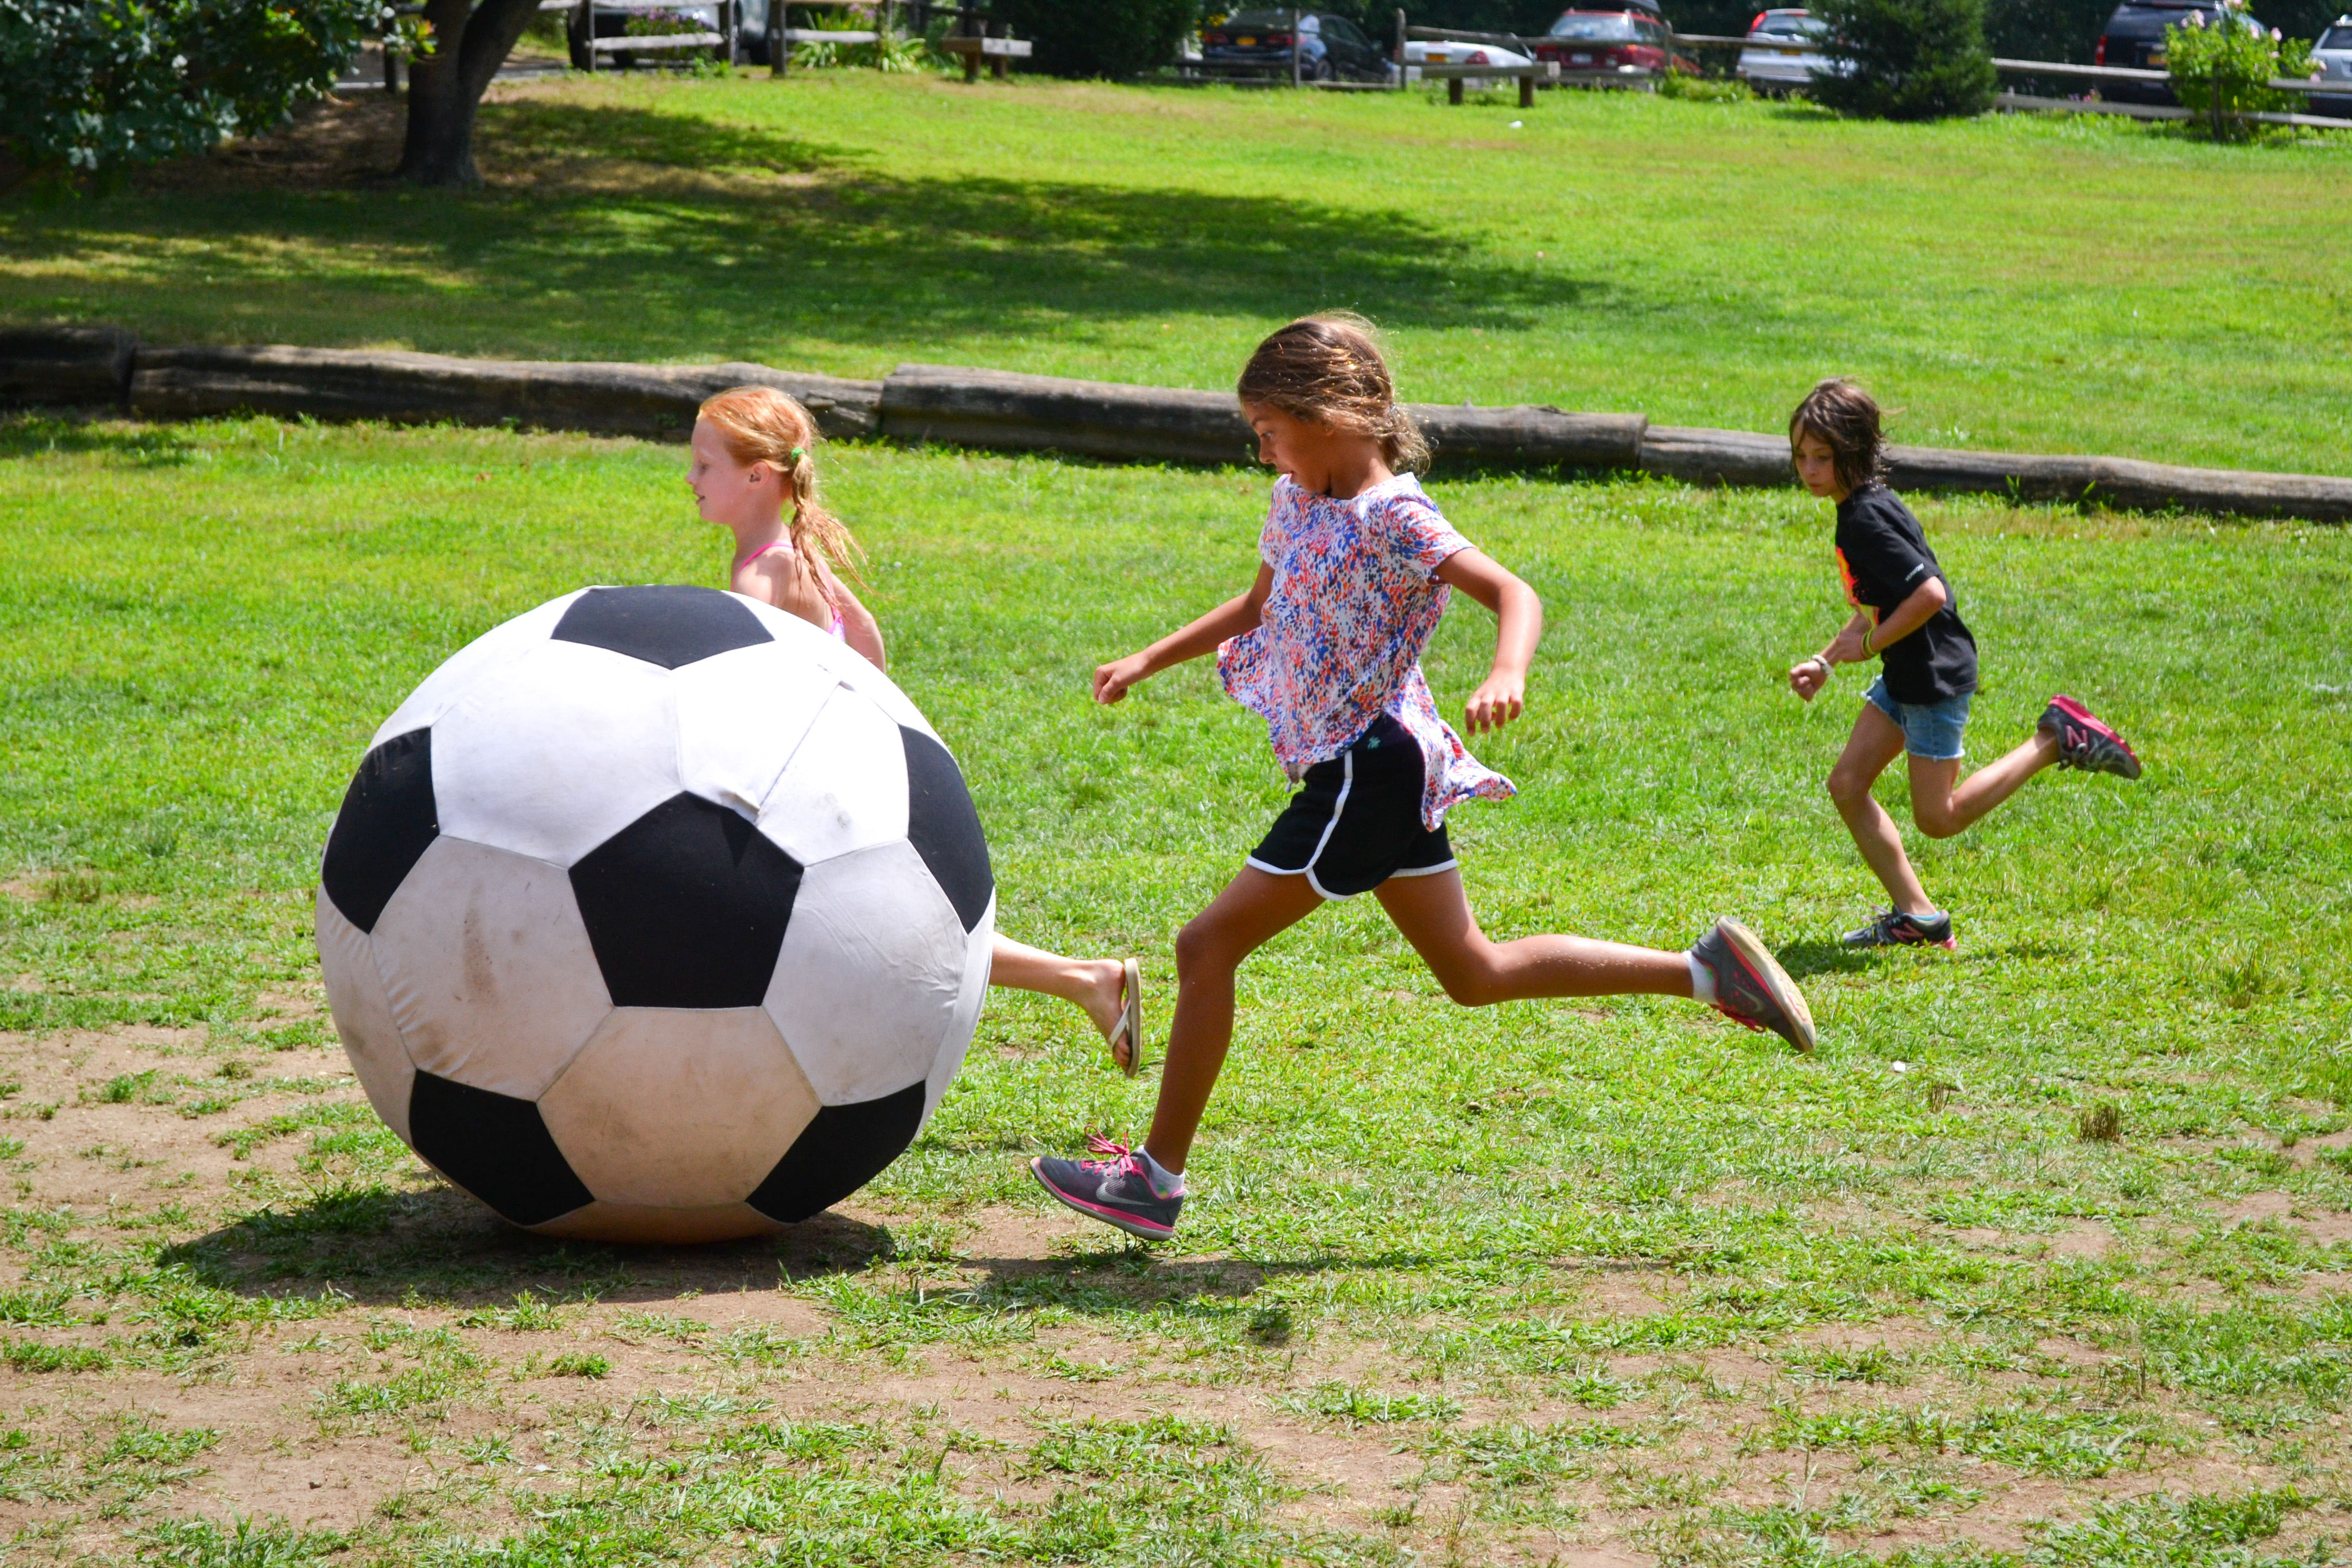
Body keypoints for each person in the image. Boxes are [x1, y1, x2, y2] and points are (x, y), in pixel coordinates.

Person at [1027, 315, 1816, 1243]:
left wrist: (1506, 670)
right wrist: (1146, 658)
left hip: (1373, 765)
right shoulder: (1296, 498)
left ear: (1334, 416)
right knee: (1472, 971)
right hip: (1371, 763)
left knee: (1204, 948)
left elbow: (1513, 593)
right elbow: (1256, 604)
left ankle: (1154, 1180)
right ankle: (1706, 971)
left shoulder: (1394, 514)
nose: (1261, 450)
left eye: (1271, 430)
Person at [689, 385, 1147, 1072]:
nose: (690, 479)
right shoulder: (799, 551)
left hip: (810, 789)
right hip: (842, 768)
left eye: (704, 465)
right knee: (895, 932)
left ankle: (1088, 980)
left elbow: (750, 683)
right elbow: (869, 645)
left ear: (757, 475)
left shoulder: (764, 572)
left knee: (891, 936)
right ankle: (1086, 981)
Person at [1783, 378, 2142, 952]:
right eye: (1801, 456)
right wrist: (1827, 661)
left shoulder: (1864, 521)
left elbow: (1927, 595)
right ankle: (1918, 917)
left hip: (1930, 676)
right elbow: (1878, 602)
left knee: (1939, 817)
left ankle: (2054, 739)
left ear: (1853, 452)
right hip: (1909, 670)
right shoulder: (1865, 506)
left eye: (1822, 457)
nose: (1809, 469)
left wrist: (1871, 646)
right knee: (1848, 784)